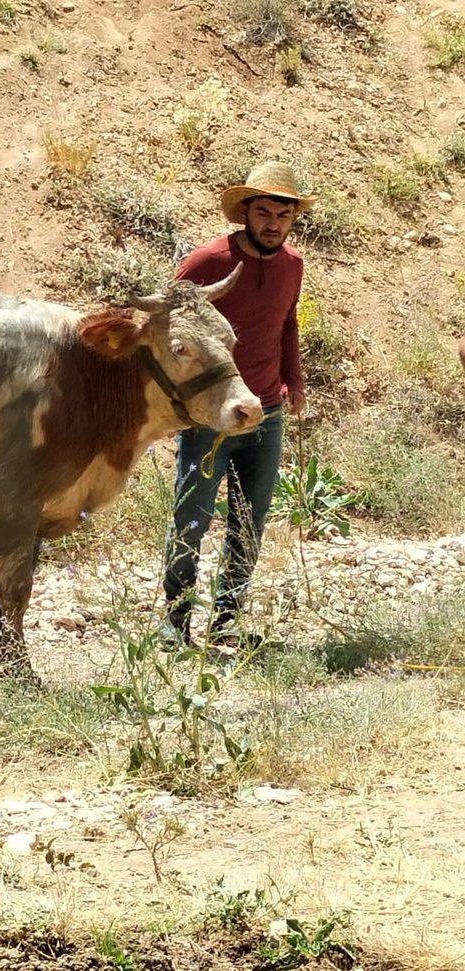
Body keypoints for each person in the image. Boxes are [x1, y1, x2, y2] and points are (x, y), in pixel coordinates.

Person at [163, 160, 315, 646]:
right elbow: (171, 327)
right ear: (245, 213)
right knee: (192, 517)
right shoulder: (208, 262)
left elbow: (287, 323)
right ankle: (173, 625)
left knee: (250, 522)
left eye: (283, 215)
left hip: (267, 412)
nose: (273, 224)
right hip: (212, 415)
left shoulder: (293, 264)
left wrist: (294, 380)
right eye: (264, 212)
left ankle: (227, 624)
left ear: (293, 219)